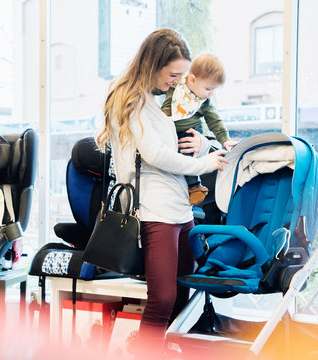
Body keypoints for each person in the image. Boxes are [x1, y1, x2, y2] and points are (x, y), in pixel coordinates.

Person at [95, 28, 228, 356]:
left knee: (185, 291)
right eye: (173, 74)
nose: (177, 81)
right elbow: (155, 155)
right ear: (153, 64)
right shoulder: (128, 98)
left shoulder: (157, 105)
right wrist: (205, 164)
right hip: (155, 212)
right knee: (164, 298)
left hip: (180, 210)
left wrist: (202, 145)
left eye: (183, 75)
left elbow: (178, 145)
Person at [161, 53, 238, 205]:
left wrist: (225, 139)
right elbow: (155, 87)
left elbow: (215, 120)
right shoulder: (176, 86)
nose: (211, 94)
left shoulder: (203, 102)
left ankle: (195, 186)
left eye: (214, 90)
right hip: (167, 131)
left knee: (187, 154)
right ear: (192, 80)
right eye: (208, 88)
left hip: (189, 132)